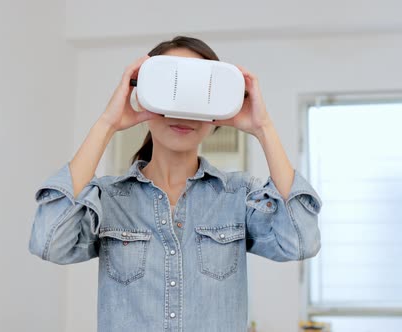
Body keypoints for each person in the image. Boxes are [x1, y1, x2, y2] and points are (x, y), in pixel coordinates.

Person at [28, 35, 322, 332]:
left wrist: (264, 127)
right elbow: (50, 242)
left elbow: (299, 242)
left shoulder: (237, 195)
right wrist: (107, 123)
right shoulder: (109, 198)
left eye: (199, 94)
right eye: (173, 91)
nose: (183, 113)